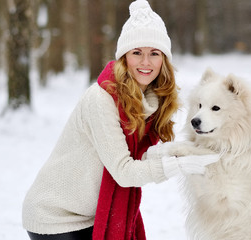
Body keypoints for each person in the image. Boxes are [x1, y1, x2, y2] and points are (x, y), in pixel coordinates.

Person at [22, 1, 218, 239]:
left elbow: (140, 157)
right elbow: (124, 172)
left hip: (90, 215)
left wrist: (180, 152)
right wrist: (178, 165)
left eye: (154, 53)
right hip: (55, 217)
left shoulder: (149, 101)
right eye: (137, 53)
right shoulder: (101, 99)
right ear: (125, 57)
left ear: (163, 61)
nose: (145, 62)